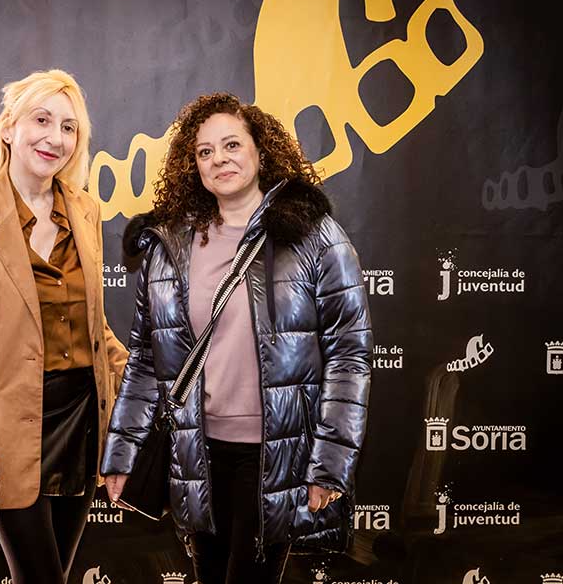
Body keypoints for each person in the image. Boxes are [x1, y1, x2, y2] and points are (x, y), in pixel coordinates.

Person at [101, 92, 372, 584]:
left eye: (232, 145)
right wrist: (122, 452)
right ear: (193, 165)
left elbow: (348, 355)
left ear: (260, 152)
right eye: (205, 151)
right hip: (195, 453)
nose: (219, 159)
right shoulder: (168, 244)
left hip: (275, 455)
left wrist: (330, 462)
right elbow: (144, 360)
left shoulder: (315, 236)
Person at [0, 69, 128, 584]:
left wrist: (147, 382)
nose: (54, 138)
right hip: (10, 433)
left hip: (82, 422)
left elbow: (95, 330)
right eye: (41, 120)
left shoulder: (85, 210)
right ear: (8, 128)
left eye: (69, 127)